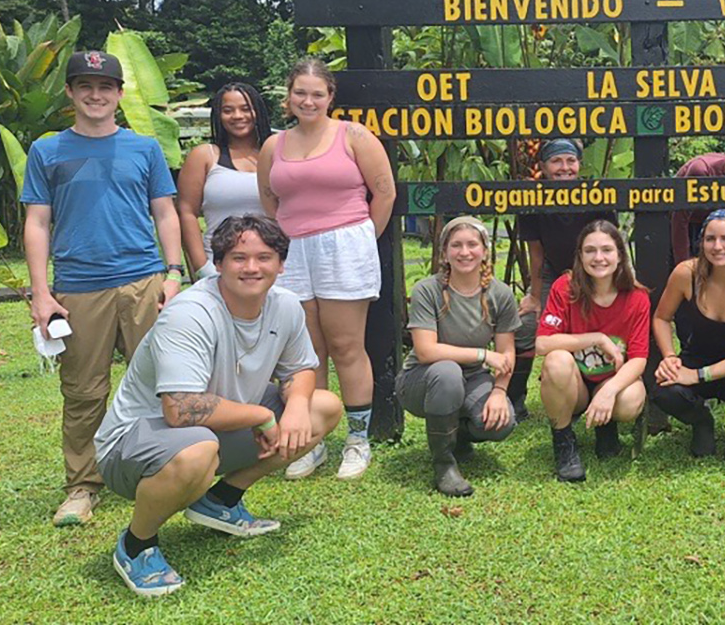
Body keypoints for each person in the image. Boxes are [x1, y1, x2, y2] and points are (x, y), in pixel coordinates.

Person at [93, 214, 341, 596]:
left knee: (321, 406)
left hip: (213, 430)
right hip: (132, 445)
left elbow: (301, 369)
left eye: (264, 257)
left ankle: (220, 501)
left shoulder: (286, 306)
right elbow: (180, 409)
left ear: (281, 264)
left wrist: (294, 407)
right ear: (219, 263)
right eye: (239, 258)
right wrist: (262, 415)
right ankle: (136, 544)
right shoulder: (190, 313)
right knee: (198, 449)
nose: (252, 267)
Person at [22, 50, 185, 527]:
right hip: (78, 288)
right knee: (83, 391)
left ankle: (166, 466)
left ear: (119, 94)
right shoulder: (47, 151)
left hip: (143, 281)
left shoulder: (144, 149)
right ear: (70, 92)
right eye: (85, 86)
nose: (96, 95)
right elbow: (37, 222)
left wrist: (174, 273)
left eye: (105, 87)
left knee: (162, 381)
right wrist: (41, 293)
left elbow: (165, 212)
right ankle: (83, 486)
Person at [257, 57, 396, 481]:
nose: (308, 101)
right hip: (293, 252)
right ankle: (312, 439)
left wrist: (361, 238)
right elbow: (269, 199)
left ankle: (357, 439)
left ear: (330, 97)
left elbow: (385, 193)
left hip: (345, 247)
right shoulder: (274, 146)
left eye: (317, 94)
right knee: (305, 351)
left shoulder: (353, 136)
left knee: (346, 345)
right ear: (288, 97)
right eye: (300, 93)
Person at [399, 217, 519, 496]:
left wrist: (499, 391)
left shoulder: (500, 294)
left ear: (485, 251)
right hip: (423, 379)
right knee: (448, 372)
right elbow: (426, 350)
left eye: (472, 245)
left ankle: (458, 435)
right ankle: (444, 464)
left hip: (473, 377)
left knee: (502, 423)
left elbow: (506, 352)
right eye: (456, 245)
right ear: (444, 252)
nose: (465, 252)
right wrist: (482, 354)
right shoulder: (427, 290)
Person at [651, 209, 725, 461]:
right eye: (710, 239)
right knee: (664, 390)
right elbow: (661, 318)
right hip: (695, 358)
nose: (717, 246)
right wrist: (670, 357)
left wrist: (697, 375)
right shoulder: (686, 273)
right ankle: (701, 421)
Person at [536, 220, 651, 482]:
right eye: (590, 250)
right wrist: (597, 339)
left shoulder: (637, 297)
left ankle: (606, 425)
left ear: (620, 255)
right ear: (580, 256)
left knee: (631, 399)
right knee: (556, 360)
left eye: (607, 250)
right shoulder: (565, 287)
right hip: (574, 384)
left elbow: (638, 359)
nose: (598, 258)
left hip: (610, 379)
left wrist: (609, 392)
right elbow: (542, 344)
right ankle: (563, 440)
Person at [511, 139, 615, 421]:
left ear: (579, 164)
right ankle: (515, 399)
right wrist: (535, 296)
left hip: (596, 272)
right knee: (526, 327)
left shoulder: (597, 195)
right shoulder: (531, 199)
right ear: (543, 167)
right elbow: (536, 254)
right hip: (553, 272)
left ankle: (595, 390)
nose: (564, 167)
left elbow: (612, 245)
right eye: (556, 161)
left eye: (571, 161)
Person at [176, 82, 272, 279]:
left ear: (259, 111)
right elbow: (186, 212)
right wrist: (202, 266)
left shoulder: (277, 154)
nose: (237, 116)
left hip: (274, 263)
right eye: (228, 110)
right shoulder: (204, 156)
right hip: (219, 266)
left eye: (246, 109)